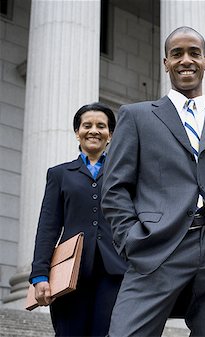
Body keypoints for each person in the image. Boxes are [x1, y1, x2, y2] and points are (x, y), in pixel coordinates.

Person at [101, 26, 205, 337]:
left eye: (193, 53)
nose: (185, 60)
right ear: (166, 62)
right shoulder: (136, 117)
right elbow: (115, 188)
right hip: (155, 246)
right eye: (177, 54)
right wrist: (132, 239)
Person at [29, 102, 128, 336]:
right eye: (87, 125)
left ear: (110, 135)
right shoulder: (59, 174)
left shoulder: (123, 174)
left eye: (101, 126)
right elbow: (48, 226)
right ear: (77, 132)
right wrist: (40, 274)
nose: (94, 130)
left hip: (114, 272)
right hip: (69, 272)